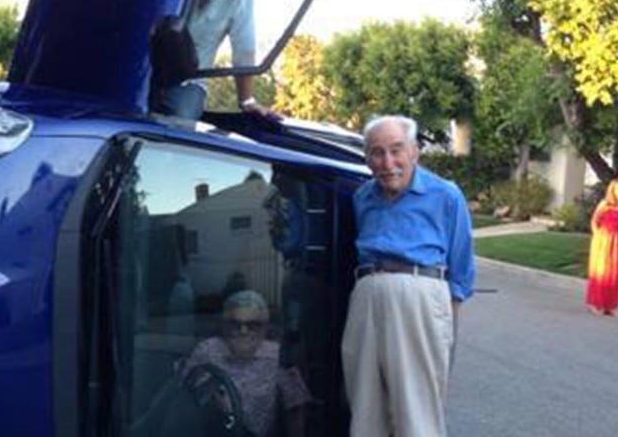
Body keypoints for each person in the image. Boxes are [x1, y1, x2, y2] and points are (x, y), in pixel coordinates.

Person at [341, 115, 474, 437]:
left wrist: (445, 325)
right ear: (367, 158)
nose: (388, 163)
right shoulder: (362, 197)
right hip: (366, 297)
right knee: (364, 408)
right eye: (377, 152)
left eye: (396, 150)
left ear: (414, 151)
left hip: (420, 296)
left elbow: (460, 268)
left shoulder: (445, 195)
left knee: (416, 412)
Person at [184, 289, 311, 437]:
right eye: (235, 324)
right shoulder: (207, 350)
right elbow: (183, 397)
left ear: (264, 329)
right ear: (224, 325)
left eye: (253, 325)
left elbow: (295, 410)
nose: (243, 331)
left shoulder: (277, 355)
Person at [585, 176, 618, 317]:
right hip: (603, 240)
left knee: (614, 274)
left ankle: (609, 306)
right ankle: (596, 304)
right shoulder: (605, 203)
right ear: (612, 190)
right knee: (602, 273)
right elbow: (594, 221)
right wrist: (598, 237)